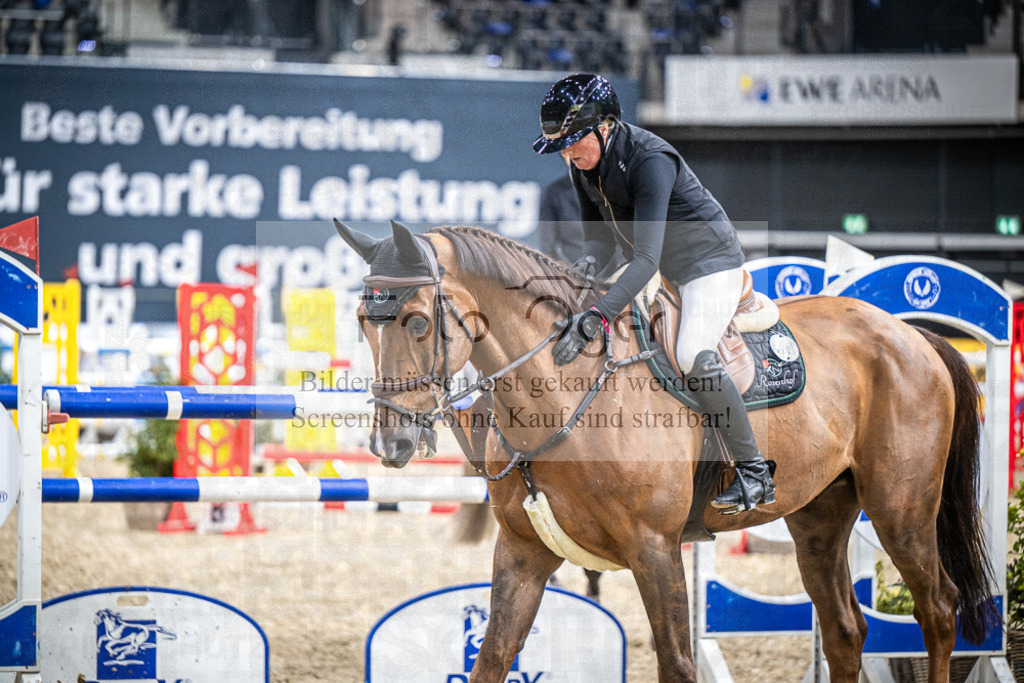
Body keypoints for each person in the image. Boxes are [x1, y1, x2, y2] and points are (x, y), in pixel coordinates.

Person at [532, 73, 774, 515]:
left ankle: (755, 471)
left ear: (605, 127)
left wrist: (599, 314)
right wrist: (581, 274)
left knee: (691, 353)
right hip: (666, 266)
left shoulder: (650, 159)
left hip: (708, 264)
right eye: (561, 145)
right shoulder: (581, 163)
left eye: (573, 142)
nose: (567, 153)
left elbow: (644, 259)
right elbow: (600, 244)